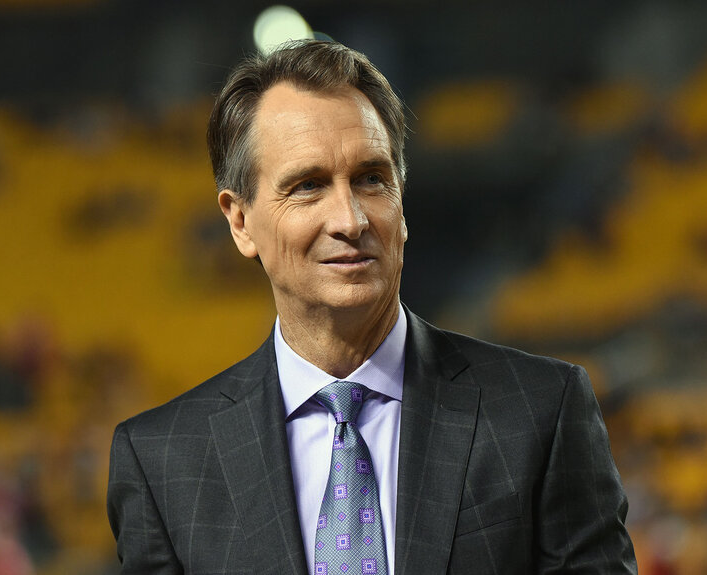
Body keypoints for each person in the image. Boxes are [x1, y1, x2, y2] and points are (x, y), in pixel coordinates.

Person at [107, 39, 637, 575]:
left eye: (371, 179)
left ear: (401, 201)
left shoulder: (541, 413)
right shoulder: (162, 462)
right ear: (240, 221)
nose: (351, 219)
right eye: (309, 186)